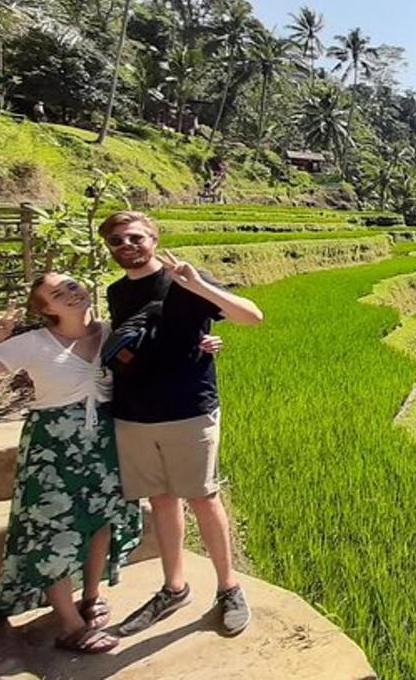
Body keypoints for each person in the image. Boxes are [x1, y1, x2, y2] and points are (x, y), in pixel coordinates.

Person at [0, 274, 216, 653]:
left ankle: (91, 595)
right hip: (53, 446)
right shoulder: (32, 343)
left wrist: (203, 344)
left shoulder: (110, 333)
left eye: (71, 285)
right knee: (55, 529)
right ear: (45, 309)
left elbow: (162, 354)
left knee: (100, 521)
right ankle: (70, 625)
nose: (70, 293)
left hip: (105, 437)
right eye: (57, 293)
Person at [98, 211, 263, 638]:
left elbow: (251, 316)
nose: (126, 245)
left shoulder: (186, 281)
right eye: (116, 241)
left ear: (153, 238)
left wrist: (199, 284)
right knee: (161, 498)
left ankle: (229, 588)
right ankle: (174, 587)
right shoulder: (116, 292)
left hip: (189, 408)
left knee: (204, 498)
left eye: (134, 237)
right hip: (133, 412)